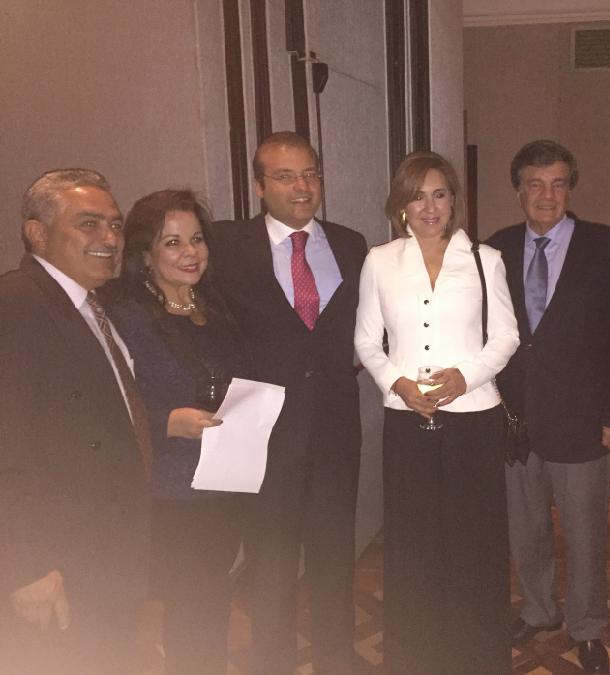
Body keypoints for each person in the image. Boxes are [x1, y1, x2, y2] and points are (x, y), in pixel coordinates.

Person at [355, 150, 518, 674]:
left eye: (439, 195)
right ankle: (416, 657)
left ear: (453, 201)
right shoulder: (380, 261)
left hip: (474, 420)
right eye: (417, 196)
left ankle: (477, 658)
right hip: (407, 420)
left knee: (475, 542)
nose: (429, 207)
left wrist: (466, 377)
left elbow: (506, 337)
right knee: (413, 541)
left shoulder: (484, 260)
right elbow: (366, 341)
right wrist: (398, 383)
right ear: (401, 205)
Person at [210, 131, 367, 674]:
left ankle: (337, 660)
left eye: (310, 174)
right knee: (269, 563)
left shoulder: (351, 244)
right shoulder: (225, 245)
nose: (302, 187)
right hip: (261, 433)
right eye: (285, 176)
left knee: (334, 558)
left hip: (335, 430)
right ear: (259, 186)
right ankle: (270, 663)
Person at [488, 140, 610, 673]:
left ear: (569, 188)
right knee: (525, 529)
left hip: (583, 422)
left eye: (557, 184)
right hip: (515, 420)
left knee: (584, 535)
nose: (547, 195)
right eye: (535, 184)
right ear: (519, 191)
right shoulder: (496, 249)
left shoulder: (606, 246)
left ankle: (588, 626)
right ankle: (537, 609)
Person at [0, 169, 150, 674]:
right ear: (37, 233)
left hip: (105, 548)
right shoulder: (15, 306)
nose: (110, 237)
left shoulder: (91, 306)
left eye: (115, 224)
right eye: (88, 224)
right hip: (59, 556)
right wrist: (26, 565)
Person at [101, 189, 247, 674]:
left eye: (197, 239)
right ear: (145, 254)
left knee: (213, 601)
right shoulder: (126, 318)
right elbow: (108, 406)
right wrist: (169, 422)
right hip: (171, 492)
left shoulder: (215, 307)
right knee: (188, 609)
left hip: (223, 481)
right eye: (173, 243)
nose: (191, 253)